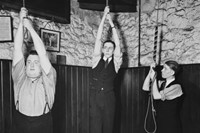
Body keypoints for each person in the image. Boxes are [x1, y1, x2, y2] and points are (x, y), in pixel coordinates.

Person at [12, 7, 57, 133]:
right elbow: (17, 49)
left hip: (42, 123)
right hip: (20, 121)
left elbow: (42, 54)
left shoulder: (49, 78)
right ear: (25, 66)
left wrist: (31, 28)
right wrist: (21, 22)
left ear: (41, 67)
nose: (31, 65)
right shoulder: (19, 76)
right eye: (29, 62)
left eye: (36, 63)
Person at [89, 6, 122, 133]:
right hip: (95, 98)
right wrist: (104, 17)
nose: (108, 49)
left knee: (109, 127)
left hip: (109, 98)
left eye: (110, 48)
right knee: (95, 128)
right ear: (102, 49)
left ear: (113, 51)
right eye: (106, 47)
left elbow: (118, 44)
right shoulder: (96, 59)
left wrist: (112, 24)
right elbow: (98, 39)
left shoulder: (116, 63)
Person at [142, 60, 183, 133]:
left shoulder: (177, 87)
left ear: (172, 72)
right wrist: (150, 72)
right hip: (159, 121)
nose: (162, 70)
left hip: (170, 124)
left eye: (165, 68)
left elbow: (156, 96)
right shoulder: (162, 83)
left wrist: (154, 79)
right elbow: (145, 88)